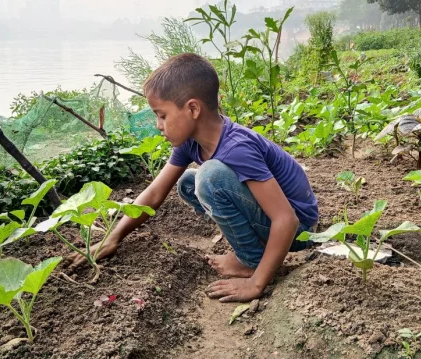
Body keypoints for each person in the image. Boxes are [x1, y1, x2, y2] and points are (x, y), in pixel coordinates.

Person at [67, 53, 318, 303]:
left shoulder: (237, 148)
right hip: (275, 219)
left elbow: (286, 219)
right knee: (188, 182)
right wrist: (113, 237)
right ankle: (254, 250)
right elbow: (155, 194)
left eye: (162, 115)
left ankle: (251, 261)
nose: (157, 125)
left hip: (299, 230)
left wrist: (256, 284)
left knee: (209, 177)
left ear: (193, 109)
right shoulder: (191, 143)